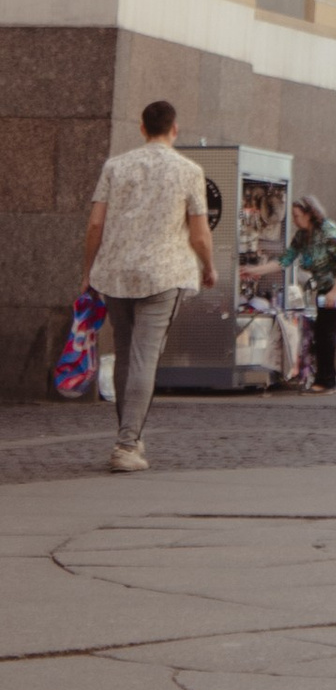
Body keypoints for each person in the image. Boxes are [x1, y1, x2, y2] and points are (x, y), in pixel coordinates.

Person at [81, 101, 213, 475]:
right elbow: (200, 232)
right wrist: (209, 266)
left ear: (141, 128)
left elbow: (95, 225)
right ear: (175, 129)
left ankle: (131, 437)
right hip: (163, 274)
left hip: (115, 274)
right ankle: (126, 445)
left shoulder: (115, 166)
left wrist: (87, 271)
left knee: (125, 355)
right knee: (144, 358)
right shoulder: (189, 171)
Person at [286, 197, 336, 390]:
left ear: (309, 214)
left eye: (297, 216)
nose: (295, 220)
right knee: (321, 330)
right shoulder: (302, 236)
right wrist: (255, 271)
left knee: (327, 330)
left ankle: (326, 380)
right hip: (325, 285)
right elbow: (286, 259)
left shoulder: (327, 230)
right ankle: (326, 375)